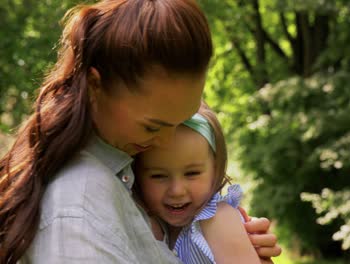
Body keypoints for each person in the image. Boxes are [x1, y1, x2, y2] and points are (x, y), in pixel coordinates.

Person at [0, 0, 281, 263]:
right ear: (95, 86)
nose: (166, 141)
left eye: (180, 121)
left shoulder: (128, 177)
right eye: (153, 126)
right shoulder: (79, 206)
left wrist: (222, 243)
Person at [135, 103, 261, 263]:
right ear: (138, 175)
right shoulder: (154, 225)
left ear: (215, 170)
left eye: (192, 173)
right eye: (158, 176)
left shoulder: (218, 221)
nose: (176, 191)